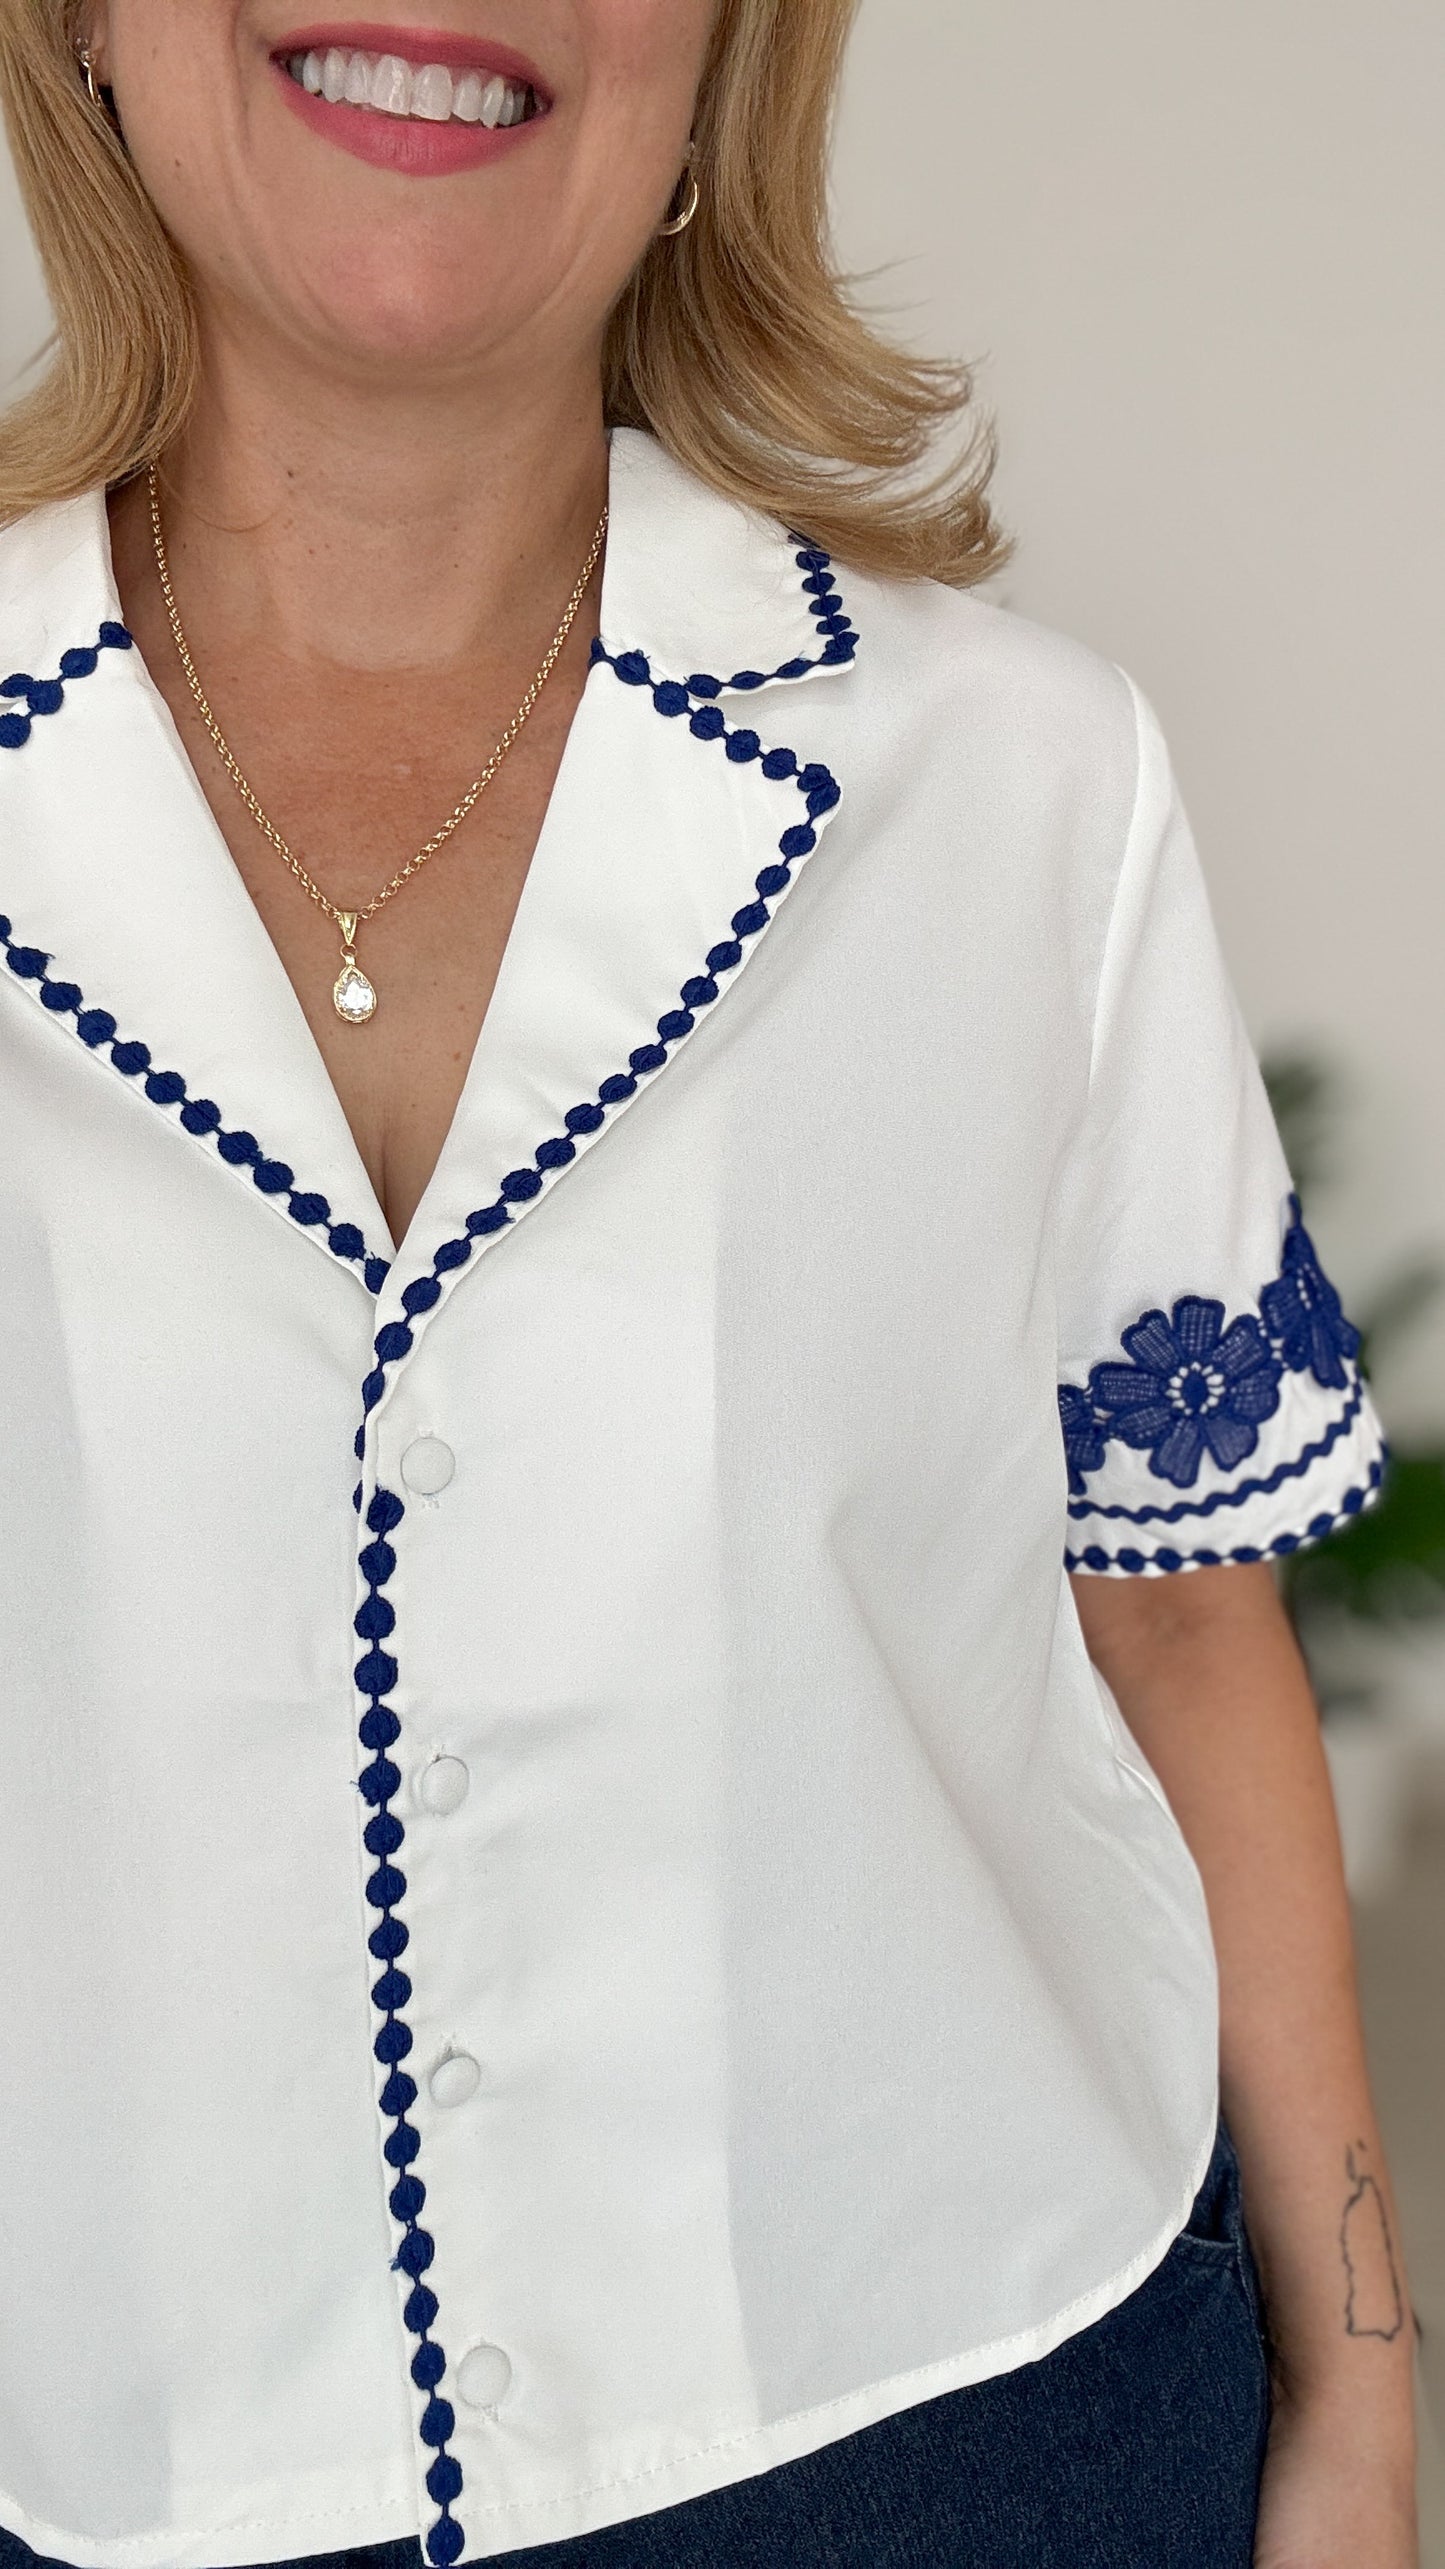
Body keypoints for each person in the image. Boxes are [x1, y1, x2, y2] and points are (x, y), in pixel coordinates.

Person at [0, 4, 1419, 2565]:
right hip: (101, 2467)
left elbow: (1183, 1626)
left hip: (973, 2438)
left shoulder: (1022, 789)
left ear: (716, 74)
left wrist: (1364, 2402)